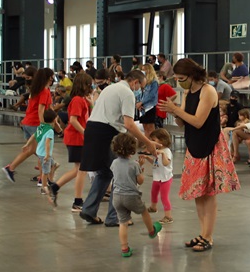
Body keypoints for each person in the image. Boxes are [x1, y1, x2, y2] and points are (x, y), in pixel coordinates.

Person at [160, 58, 240, 252]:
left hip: (210, 145)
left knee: (209, 194)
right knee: (198, 193)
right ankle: (202, 233)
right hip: (194, 145)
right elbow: (183, 123)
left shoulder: (208, 91)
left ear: (192, 75)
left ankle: (208, 236)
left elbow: (198, 121)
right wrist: (175, 113)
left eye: (181, 78)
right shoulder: (189, 92)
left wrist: (176, 109)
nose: (179, 82)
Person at [78, 70, 159, 227]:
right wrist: (148, 142)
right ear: (134, 81)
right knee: (120, 173)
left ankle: (89, 209)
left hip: (92, 129)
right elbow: (129, 124)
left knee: (105, 172)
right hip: (106, 132)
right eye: (140, 86)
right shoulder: (127, 93)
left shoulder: (110, 88)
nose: (140, 90)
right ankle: (114, 217)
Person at [108, 133, 164, 257]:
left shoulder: (114, 163)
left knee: (123, 223)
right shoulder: (134, 164)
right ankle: (151, 231)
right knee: (144, 211)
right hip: (131, 196)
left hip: (116, 197)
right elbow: (140, 181)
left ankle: (124, 249)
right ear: (132, 149)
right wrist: (140, 169)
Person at [47, 73, 93, 210]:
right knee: (81, 170)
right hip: (76, 138)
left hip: (78, 138)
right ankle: (77, 201)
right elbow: (73, 120)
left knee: (78, 169)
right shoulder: (77, 100)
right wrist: (85, 133)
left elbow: (86, 118)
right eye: (88, 85)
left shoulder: (82, 100)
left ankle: (55, 187)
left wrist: (91, 105)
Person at [2, 68, 54, 183]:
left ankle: (10, 168)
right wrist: (43, 125)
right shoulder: (44, 91)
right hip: (35, 123)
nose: (53, 79)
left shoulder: (36, 90)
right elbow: (41, 110)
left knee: (31, 150)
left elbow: (46, 108)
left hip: (28, 122)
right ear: (48, 78)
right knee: (41, 152)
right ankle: (43, 179)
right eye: (51, 77)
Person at [148, 128, 175, 224]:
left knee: (164, 197)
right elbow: (156, 163)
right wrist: (148, 158)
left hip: (165, 178)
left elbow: (165, 163)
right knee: (153, 193)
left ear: (162, 141)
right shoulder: (158, 150)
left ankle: (168, 216)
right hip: (157, 177)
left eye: (154, 140)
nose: (152, 142)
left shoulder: (166, 151)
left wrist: (163, 154)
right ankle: (153, 207)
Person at [35, 109, 59, 195]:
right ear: (54, 119)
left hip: (40, 152)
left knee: (55, 164)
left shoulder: (41, 126)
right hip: (45, 154)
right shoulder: (50, 131)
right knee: (45, 172)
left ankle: (49, 180)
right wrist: (47, 155)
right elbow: (47, 143)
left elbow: (35, 136)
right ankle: (44, 187)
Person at [136, 64, 159, 136]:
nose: (143, 71)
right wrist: (138, 103)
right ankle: (147, 143)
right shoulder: (142, 82)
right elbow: (139, 92)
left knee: (151, 128)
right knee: (145, 127)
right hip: (142, 108)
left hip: (150, 107)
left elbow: (152, 95)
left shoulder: (154, 82)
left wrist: (141, 102)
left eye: (144, 69)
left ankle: (153, 144)